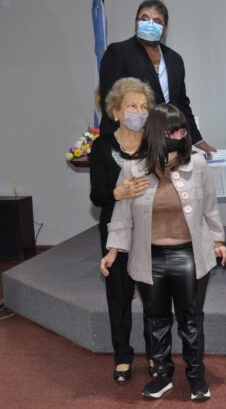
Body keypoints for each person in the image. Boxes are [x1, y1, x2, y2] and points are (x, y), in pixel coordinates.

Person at [100, 103, 226, 400]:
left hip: (189, 255)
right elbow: (122, 214)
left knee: (191, 321)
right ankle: (162, 375)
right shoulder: (133, 169)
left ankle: (196, 375)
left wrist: (218, 241)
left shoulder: (198, 166)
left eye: (182, 130)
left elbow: (210, 209)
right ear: (157, 133)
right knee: (156, 320)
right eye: (173, 131)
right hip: (150, 258)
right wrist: (113, 250)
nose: (180, 135)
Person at [90, 77, 154, 384]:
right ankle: (123, 356)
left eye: (143, 107)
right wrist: (118, 193)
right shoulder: (102, 146)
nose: (138, 112)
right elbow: (97, 196)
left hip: (152, 231)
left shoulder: (155, 143)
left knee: (153, 297)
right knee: (119, 295)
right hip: (115, 232)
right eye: (131, 106)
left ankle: (156, 352)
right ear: (116, 111)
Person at [98, 0, 216, 157]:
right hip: (127, 145)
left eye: (157, 21)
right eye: (144, 19)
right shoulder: (118, 53)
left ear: (165, 30)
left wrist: (197, 140)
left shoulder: (174, 59)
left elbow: (181, 104)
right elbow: (111, 102)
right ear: (135, 23)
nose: (150, 24)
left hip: (166, 147)